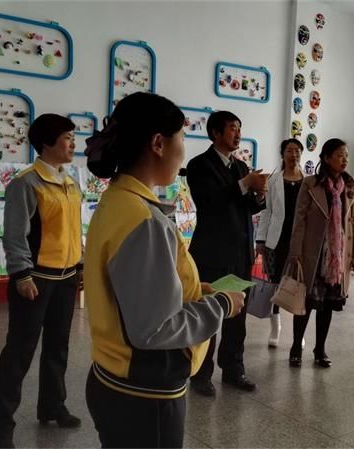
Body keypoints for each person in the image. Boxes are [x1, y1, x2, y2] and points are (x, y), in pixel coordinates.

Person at [82, 92, 245, 448]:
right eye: (181, 139)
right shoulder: (144, 220)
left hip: (115, 376)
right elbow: (156, 329)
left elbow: (129, 289)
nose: (183, 151)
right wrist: (221, 305)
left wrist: (193, 289)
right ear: (158, 143)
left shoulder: (118, 200)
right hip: (144, 395)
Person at [0, 114, 84, 448]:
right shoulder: (26, 183)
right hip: (36, 279)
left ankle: (53, 406)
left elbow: (73, 230)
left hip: (66, 277)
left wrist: (80, 265)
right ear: (47, 142)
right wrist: (21, 274)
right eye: (67, 137)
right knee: (19, 353)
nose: (73, 143)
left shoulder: (70, 182)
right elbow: (15, 234)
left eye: (73, 137)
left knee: (58, 347)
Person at [186, 110, 267, 396]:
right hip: (212, 253)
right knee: (209, 314)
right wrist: (246, 184)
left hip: (240, 253)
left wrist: (260, 193)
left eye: (239, 128)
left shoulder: (241, 166)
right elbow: (210, 201)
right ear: (215, 133)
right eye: (232, 128)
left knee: (237, 316)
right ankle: (200, 374)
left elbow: (249, 207)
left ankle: (234, 370)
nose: (238, 134)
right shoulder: (199, 165)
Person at [287, 138, 354, 367]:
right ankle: (296, 346)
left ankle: (320, 349)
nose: (344, 160)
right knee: (306, 302)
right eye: (339, 155)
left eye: (346, 155)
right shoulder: (310, 184)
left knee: (328, 304)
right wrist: (296, 251)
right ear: (327, 158)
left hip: (337, 255)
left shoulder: (348, 186)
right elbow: (299, 219)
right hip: (314, 253)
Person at [256, 138, 305, 347]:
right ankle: (275, 329)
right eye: (289, 151)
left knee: (300, 285)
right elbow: (266, 212)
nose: (294, 155)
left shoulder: (308, 181)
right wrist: (260, 239)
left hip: (301, 241)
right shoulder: (273, 180)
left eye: (297, 151)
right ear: (282, 154)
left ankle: (298, 334)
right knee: (275, 285)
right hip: (277, 241)